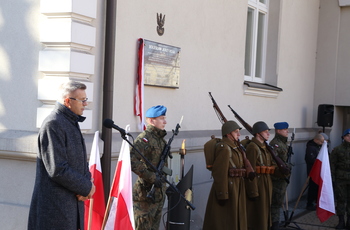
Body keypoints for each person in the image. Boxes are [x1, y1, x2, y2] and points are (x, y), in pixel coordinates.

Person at [28, 81, 95, 230]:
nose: (86, 103)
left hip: (71, 204)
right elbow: (57, 169)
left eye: (86, 99)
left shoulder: (70, 122)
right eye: (82, 100)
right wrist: (86, 187)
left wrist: (86, 186)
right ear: (67, 101)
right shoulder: (53, 124)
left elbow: (80, 160)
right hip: (56, 208)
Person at [203, 120, 248, 230]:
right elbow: (219, 173)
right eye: (236, 132)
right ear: (228, 133)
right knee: (225, 222)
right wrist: (222, 194)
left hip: (236, 187)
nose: (239, 134)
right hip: (228, 188)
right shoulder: (224, 148)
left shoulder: (234, 147)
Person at [130, 105, 168, 230]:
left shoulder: (160, 140)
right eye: (161, 118)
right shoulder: (144, 139)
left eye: (164, 118)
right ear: (151, 121)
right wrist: (151, 176)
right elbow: (131, 159)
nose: (165, 122)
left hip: (158, 194)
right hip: (146, 194)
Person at [245, 121, 274, 230]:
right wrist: (253, 191)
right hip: (258, 183)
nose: (268, 134)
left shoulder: (264, 147)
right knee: (257, 216)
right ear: (258, 134)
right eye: (265, 132)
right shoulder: (253, 147)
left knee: (265, 212)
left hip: (266, 182)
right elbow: (250, 171)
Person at [269, 122, 291, 230]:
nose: (287, 131)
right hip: (277, 179)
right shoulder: (275, 144)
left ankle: (275, 224)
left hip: (282, 179)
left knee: (278, 203)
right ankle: (274, 225)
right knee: (275, 204)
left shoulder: (283, 143)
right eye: (285, 129)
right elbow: (274, 162)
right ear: (278, 131)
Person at [330, 129, 350, 229]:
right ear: (344, 137)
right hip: (340, 178)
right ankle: (341, 221)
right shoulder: (337, 149)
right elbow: (332, 164)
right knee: (341, 200)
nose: (349, 137)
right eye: (348, 136)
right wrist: (332, 178)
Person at [304, 133, 324, 211]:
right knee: (312, 187)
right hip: (312, 170)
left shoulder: (317, 147)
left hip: (318, 170)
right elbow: (311, 160)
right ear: (316, 140)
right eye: (321, 142)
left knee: (316, 187)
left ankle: (315, 202)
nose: (321, 143)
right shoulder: (311, 148)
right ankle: (309, 203)